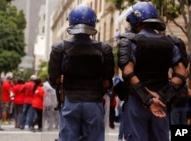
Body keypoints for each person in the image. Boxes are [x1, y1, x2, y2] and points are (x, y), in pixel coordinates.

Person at [117, 2, 188, 141]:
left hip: (136, 102)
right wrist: (160, 98)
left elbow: (127, 71)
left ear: (136, 21)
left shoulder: (130, 41)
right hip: (161, 104)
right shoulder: (172, 43)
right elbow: (181, 73)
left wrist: (148, 100)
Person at [48, 4, 114, 141]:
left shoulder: (59, 48)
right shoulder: (104, 49)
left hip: (70, 102)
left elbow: (54, 79)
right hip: (94, 103)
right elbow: (107, 81)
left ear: (71, 21)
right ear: (93, 22)